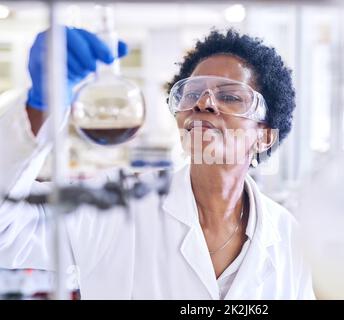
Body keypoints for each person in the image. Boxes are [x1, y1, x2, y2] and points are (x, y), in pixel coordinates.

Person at [0, 27, 315, 299]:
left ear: (265, 136)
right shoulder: (116, 204)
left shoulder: (287, 234)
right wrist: (38, 108)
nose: (204, 103)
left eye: (230, 96)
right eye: (191, 93)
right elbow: (7, 230)